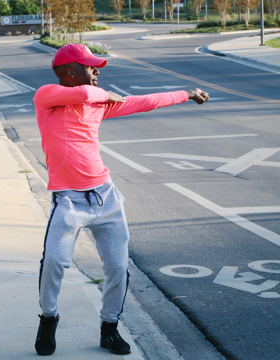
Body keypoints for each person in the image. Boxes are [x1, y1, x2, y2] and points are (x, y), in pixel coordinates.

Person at [33, 43, 209, 356]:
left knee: (118, 267)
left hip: (105, 197)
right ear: (71, 72)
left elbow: (145, 102)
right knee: (54, 263)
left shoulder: (100, 103)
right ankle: (48, 319)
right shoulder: (47, 97)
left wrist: (187, 93)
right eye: (91, 67)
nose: (97, 71)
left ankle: (109, 328)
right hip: (69, 201)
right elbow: (86, 94)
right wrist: (108, 95)